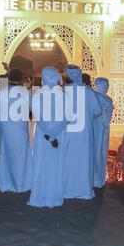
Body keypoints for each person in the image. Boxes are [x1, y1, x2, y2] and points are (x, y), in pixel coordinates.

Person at [28, 67, 69, 208]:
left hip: (43, 136)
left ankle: (40, 196)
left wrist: (49, 136)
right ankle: (55, 197)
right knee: (56, 165)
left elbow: (38, 119)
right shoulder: (64, 95)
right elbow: (67, 118)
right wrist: (54, 134)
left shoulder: (37, 95)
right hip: (59, 135)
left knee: (41, 164)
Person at [63, 65, 102, 200]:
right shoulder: (89, 91)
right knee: (83, 162)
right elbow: (98, 111)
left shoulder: (63, 91)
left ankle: (66, 189)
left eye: (66, 75)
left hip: (66, 133)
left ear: (70, 76)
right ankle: (83, 190)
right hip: (84, 134)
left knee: (67, 161)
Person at [0, 69, 32, 193]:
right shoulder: (25, 92)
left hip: (5, 130)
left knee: (5, 156)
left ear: (8, 78)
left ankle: (5, 183)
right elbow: (32, 108)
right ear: (20, 79)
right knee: (21, 157)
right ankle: (22, 183)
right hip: (20, 129)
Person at [93, 77, 113, 188]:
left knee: (97, 152)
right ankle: (98, 179)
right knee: (99, 152)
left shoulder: (93, 97)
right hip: (101, 129)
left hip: (98, 129)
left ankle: (96, 178)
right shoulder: (106, 100)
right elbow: (106, 120)